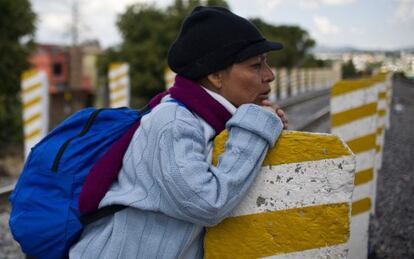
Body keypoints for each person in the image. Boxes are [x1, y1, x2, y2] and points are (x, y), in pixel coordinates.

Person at [70, 6, 288, 258]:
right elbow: (207, 204)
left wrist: (260, 125)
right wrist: (256, 129)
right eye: (255, 65)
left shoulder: (210, 120)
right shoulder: (173, 122)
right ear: (216, 76)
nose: (269, 75)